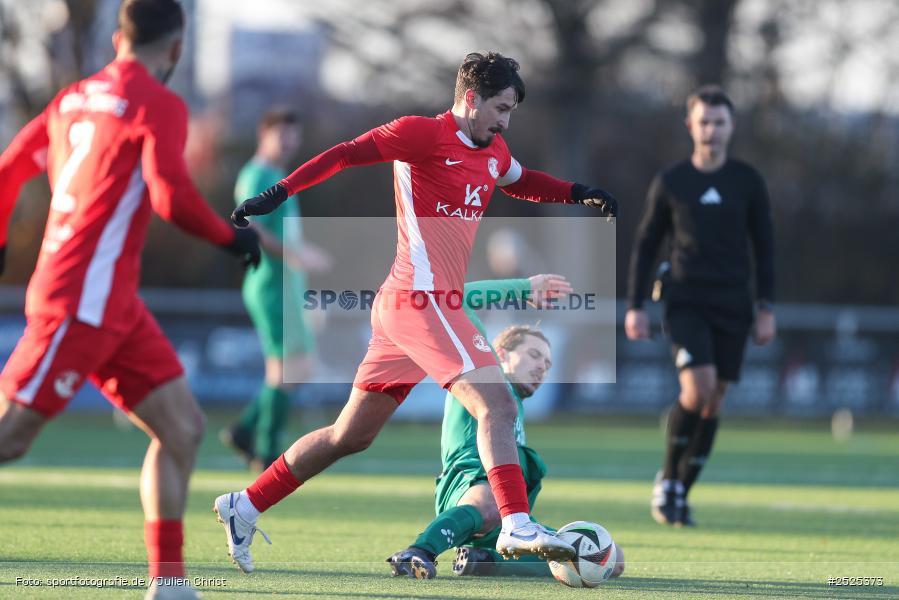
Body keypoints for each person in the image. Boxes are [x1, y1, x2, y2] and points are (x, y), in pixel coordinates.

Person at [214, 51, 618, 574]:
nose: (505, 121)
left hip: (410, 307)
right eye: (499, 108)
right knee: (496, 404)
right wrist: (279, 192)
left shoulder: (494, 149)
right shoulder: (421, 135)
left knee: (348, 436)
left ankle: (243, 505)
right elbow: (345, 154)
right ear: (470, 99)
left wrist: (577, 194)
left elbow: (519, 179)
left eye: (511, 111)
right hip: (421, 299)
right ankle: (516, 522)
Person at [0, 1, 259, 598]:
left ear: (119, 37)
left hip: (111, 304)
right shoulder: (159, 102)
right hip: (79, 302)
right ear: (176, 47)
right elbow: (170, 196)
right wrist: (230, 236)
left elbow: (11, 168)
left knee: (182, 427)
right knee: (10, 437)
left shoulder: (72, 97)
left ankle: (167, 582)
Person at [386, 275, 626, 580]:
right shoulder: (482, 374)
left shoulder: (515, 406)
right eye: (534, 355)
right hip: (467, 487)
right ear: (500, 355)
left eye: (548, 365)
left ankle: (482, 561)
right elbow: (461, 298)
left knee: (611, 560)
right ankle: (418, 552)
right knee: (487, 500)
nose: (542, 367)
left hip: (510, 511)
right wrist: (524, 288)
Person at [624, 85, 776, 527]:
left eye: (720, 122)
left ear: (732, 126)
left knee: (714, 400)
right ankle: (668, 480)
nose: (711, 130)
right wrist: (634, 305)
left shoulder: (747, 181)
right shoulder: (673, 180)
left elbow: (765, 248)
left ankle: (680, 493)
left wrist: (766, 306)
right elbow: (646, 244)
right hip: (685, 300)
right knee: (697, 388)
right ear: (690, 125)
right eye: (704, 121)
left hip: (734, 303)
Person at [220, 108, 331, 471]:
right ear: (262, 134)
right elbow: (251, 230)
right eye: (280, 134)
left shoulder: (278, 176)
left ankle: (248, 432)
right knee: (287, 367)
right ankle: (265, 451)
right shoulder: (258, 175)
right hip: (270, 284)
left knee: (298, 366)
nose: (288, 141)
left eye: (292, 134)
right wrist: (298, 256)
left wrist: (303, 255)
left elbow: (283, 233)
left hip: (283, 284)